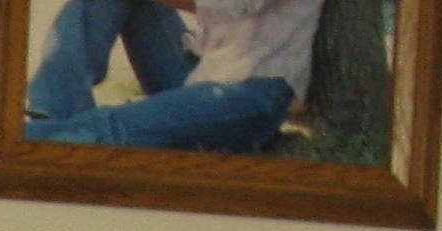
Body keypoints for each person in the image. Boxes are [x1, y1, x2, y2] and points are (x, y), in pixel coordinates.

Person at [23, 0, 322, 154]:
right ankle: (54, 111)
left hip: (251, 93)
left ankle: (22, 140)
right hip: (204, 71)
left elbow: (229, 5)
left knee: (113, 128)